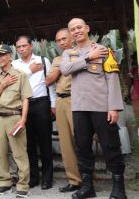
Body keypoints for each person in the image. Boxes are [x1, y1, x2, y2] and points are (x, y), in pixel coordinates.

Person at [60, 18, 127, 199]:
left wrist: (113, 107)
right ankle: (88, 187)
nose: (76, 31)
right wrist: (88, 57)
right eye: (72, 29)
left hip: (101, 107)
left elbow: (112, 79)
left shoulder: (104, 51)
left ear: (87, 28)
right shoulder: (69, 53)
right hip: (79, 108)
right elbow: (65, 70)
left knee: (110, 146)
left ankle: (119, 188)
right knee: (82, 147)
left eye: (79, 27)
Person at [12, 36, 56, 189]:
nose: (22, 49)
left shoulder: (42, 61)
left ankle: (47, 178)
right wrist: (29, 71)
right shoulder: (13, 64)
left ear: (31, 46)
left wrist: (53, 104)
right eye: (19, 47)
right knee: (28, 144)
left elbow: (50, 83)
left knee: (45, 142)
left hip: (41, 103)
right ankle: (33, 177)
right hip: (22, 105)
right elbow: (15, 81)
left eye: (24, 46)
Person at [0, 44, 32, 198]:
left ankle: (23, 185)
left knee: (19, 153)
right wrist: (4, 84)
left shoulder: (20, 75)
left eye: (2, 55)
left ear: (10, 56)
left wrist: (23, 120)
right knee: (0, 153)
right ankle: (4, 182)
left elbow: (25, 99)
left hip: (15, 116)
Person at [46, 29, 82, 193]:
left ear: (72, 38)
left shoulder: (83, 54)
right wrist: (64, 65)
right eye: (58, 40)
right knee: (66, 143)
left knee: (82, 140)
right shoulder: (57, 59)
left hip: (78, 100)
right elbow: (48, 81)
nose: (61, 42)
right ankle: (74, 180)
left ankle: (87, 176)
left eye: (64, 39)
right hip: (61, 101)